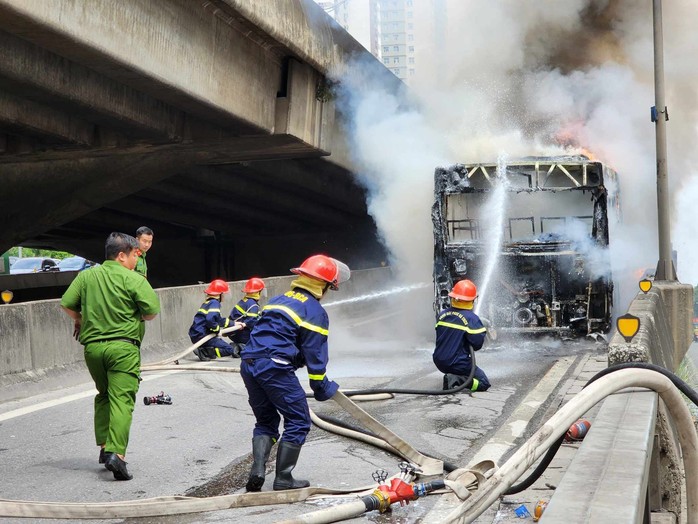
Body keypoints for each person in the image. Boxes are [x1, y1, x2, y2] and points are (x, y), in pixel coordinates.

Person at [240, 254, 349, 492]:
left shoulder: (278, 300)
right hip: (274, 367)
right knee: (298, 420)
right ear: (323, 286)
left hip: (249, 363)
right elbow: (315, 356)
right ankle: (283, 478)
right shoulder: (315, 311)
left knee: (266, 421)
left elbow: (271, 334)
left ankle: (258, 469)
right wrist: (322, 387)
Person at [60, 232, 160, 481]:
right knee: (122, 401)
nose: (137, 260)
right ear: (121, 255)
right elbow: (151, 313)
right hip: (123, 349)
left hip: (93, 350)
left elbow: (67, 304)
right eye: (135, 255)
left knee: (104, 395)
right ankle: (118, 454)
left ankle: (105, 448)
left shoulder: (86, 276)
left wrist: (80, 318)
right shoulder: (133, 279)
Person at [433, 279, 491, 392]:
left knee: (458, 366)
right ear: (472, 300)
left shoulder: (442, 314)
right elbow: (476, 345)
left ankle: (453, 376)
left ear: (453, 298)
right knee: (483, 383)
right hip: (458, 363)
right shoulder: (472, 319)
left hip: (439, 361)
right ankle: (456, 379)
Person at [189, 279, 241, 361]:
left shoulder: (208, 303)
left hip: (197, 334)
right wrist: (217, 330)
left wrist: (234, 324)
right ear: (219, 294)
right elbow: (210, 320)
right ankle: (205, 352)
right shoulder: (214, 303)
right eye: (224, 294)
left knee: (221, 349)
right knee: (229, 349)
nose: (225, 296)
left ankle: (205, 350)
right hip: (203, 335)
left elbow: (219, 320)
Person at [228, 277, 266, 358]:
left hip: (233, 333)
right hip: (241, 333)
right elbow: (251, 322)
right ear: (257, 292)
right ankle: (241, 347)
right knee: (262, 341)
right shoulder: (253, 305)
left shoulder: (245, 301)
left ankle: (237, 345)